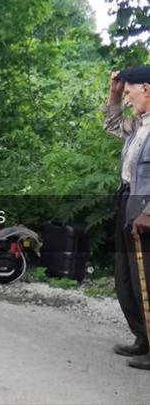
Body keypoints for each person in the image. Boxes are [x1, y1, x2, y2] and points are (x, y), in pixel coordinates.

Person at [102, 67, 150, 370]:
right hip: (128, 198)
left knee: (147, 276)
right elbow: (112, 125)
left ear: (146, 88)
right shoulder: (140, 122)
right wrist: (115, 94)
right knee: (127, 275)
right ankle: (143, 337)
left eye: (130, 92)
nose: (128, 100)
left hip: (145, 207)